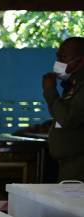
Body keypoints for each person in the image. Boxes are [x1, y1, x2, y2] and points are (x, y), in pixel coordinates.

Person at [42, 36, 84, 181]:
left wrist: (50, 91)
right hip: (68, 164)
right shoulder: (72, 85)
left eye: (63, 56)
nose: (58, 61)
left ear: (80, 60)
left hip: (79, 166)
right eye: (57, 56)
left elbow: (68, 119)